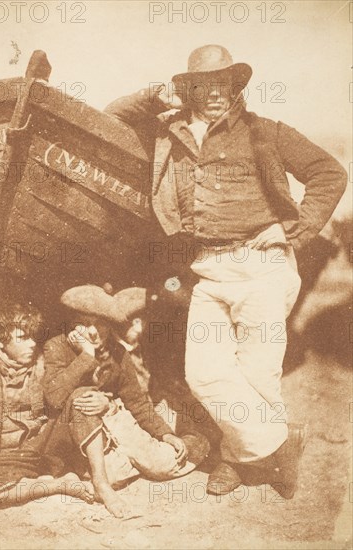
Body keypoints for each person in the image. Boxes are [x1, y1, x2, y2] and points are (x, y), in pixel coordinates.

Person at [105, 45, 347, 498]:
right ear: (190, 91)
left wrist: (292, 231)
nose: (215, 94)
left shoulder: (266, 132)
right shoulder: (168, 132)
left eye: (223, 85)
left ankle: (239, 460)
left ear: (235, 88)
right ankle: (279, 444)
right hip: (207, 268)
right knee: (206, 375)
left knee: (258, 374)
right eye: (203, 86)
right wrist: (158, 95)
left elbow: (328, 173)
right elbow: (113, 116)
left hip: (263, 266)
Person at [43, 284, 209, 518]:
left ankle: (195, 438)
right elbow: (53, 398)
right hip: (73, 431)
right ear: (71, 323)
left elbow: (137, 401)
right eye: (83, 323)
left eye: (100, 324)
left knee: (163, 464)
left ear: (111, 328)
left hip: (113, 420)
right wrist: (86, 356)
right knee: (111, 472)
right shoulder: (57, 346)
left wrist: (165, 434)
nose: (92, 332)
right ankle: (109, 478)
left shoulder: (117, 353)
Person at [0, 303, 93, 511]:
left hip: (40, 445)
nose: (32, 344)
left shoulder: (42, 360)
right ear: (0, 338)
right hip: (2, 455)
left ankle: (61, 472)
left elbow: (67, 388)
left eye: (34, 337)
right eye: (23, 338)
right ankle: (57, 485)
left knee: (74, 401)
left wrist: (102, 397)